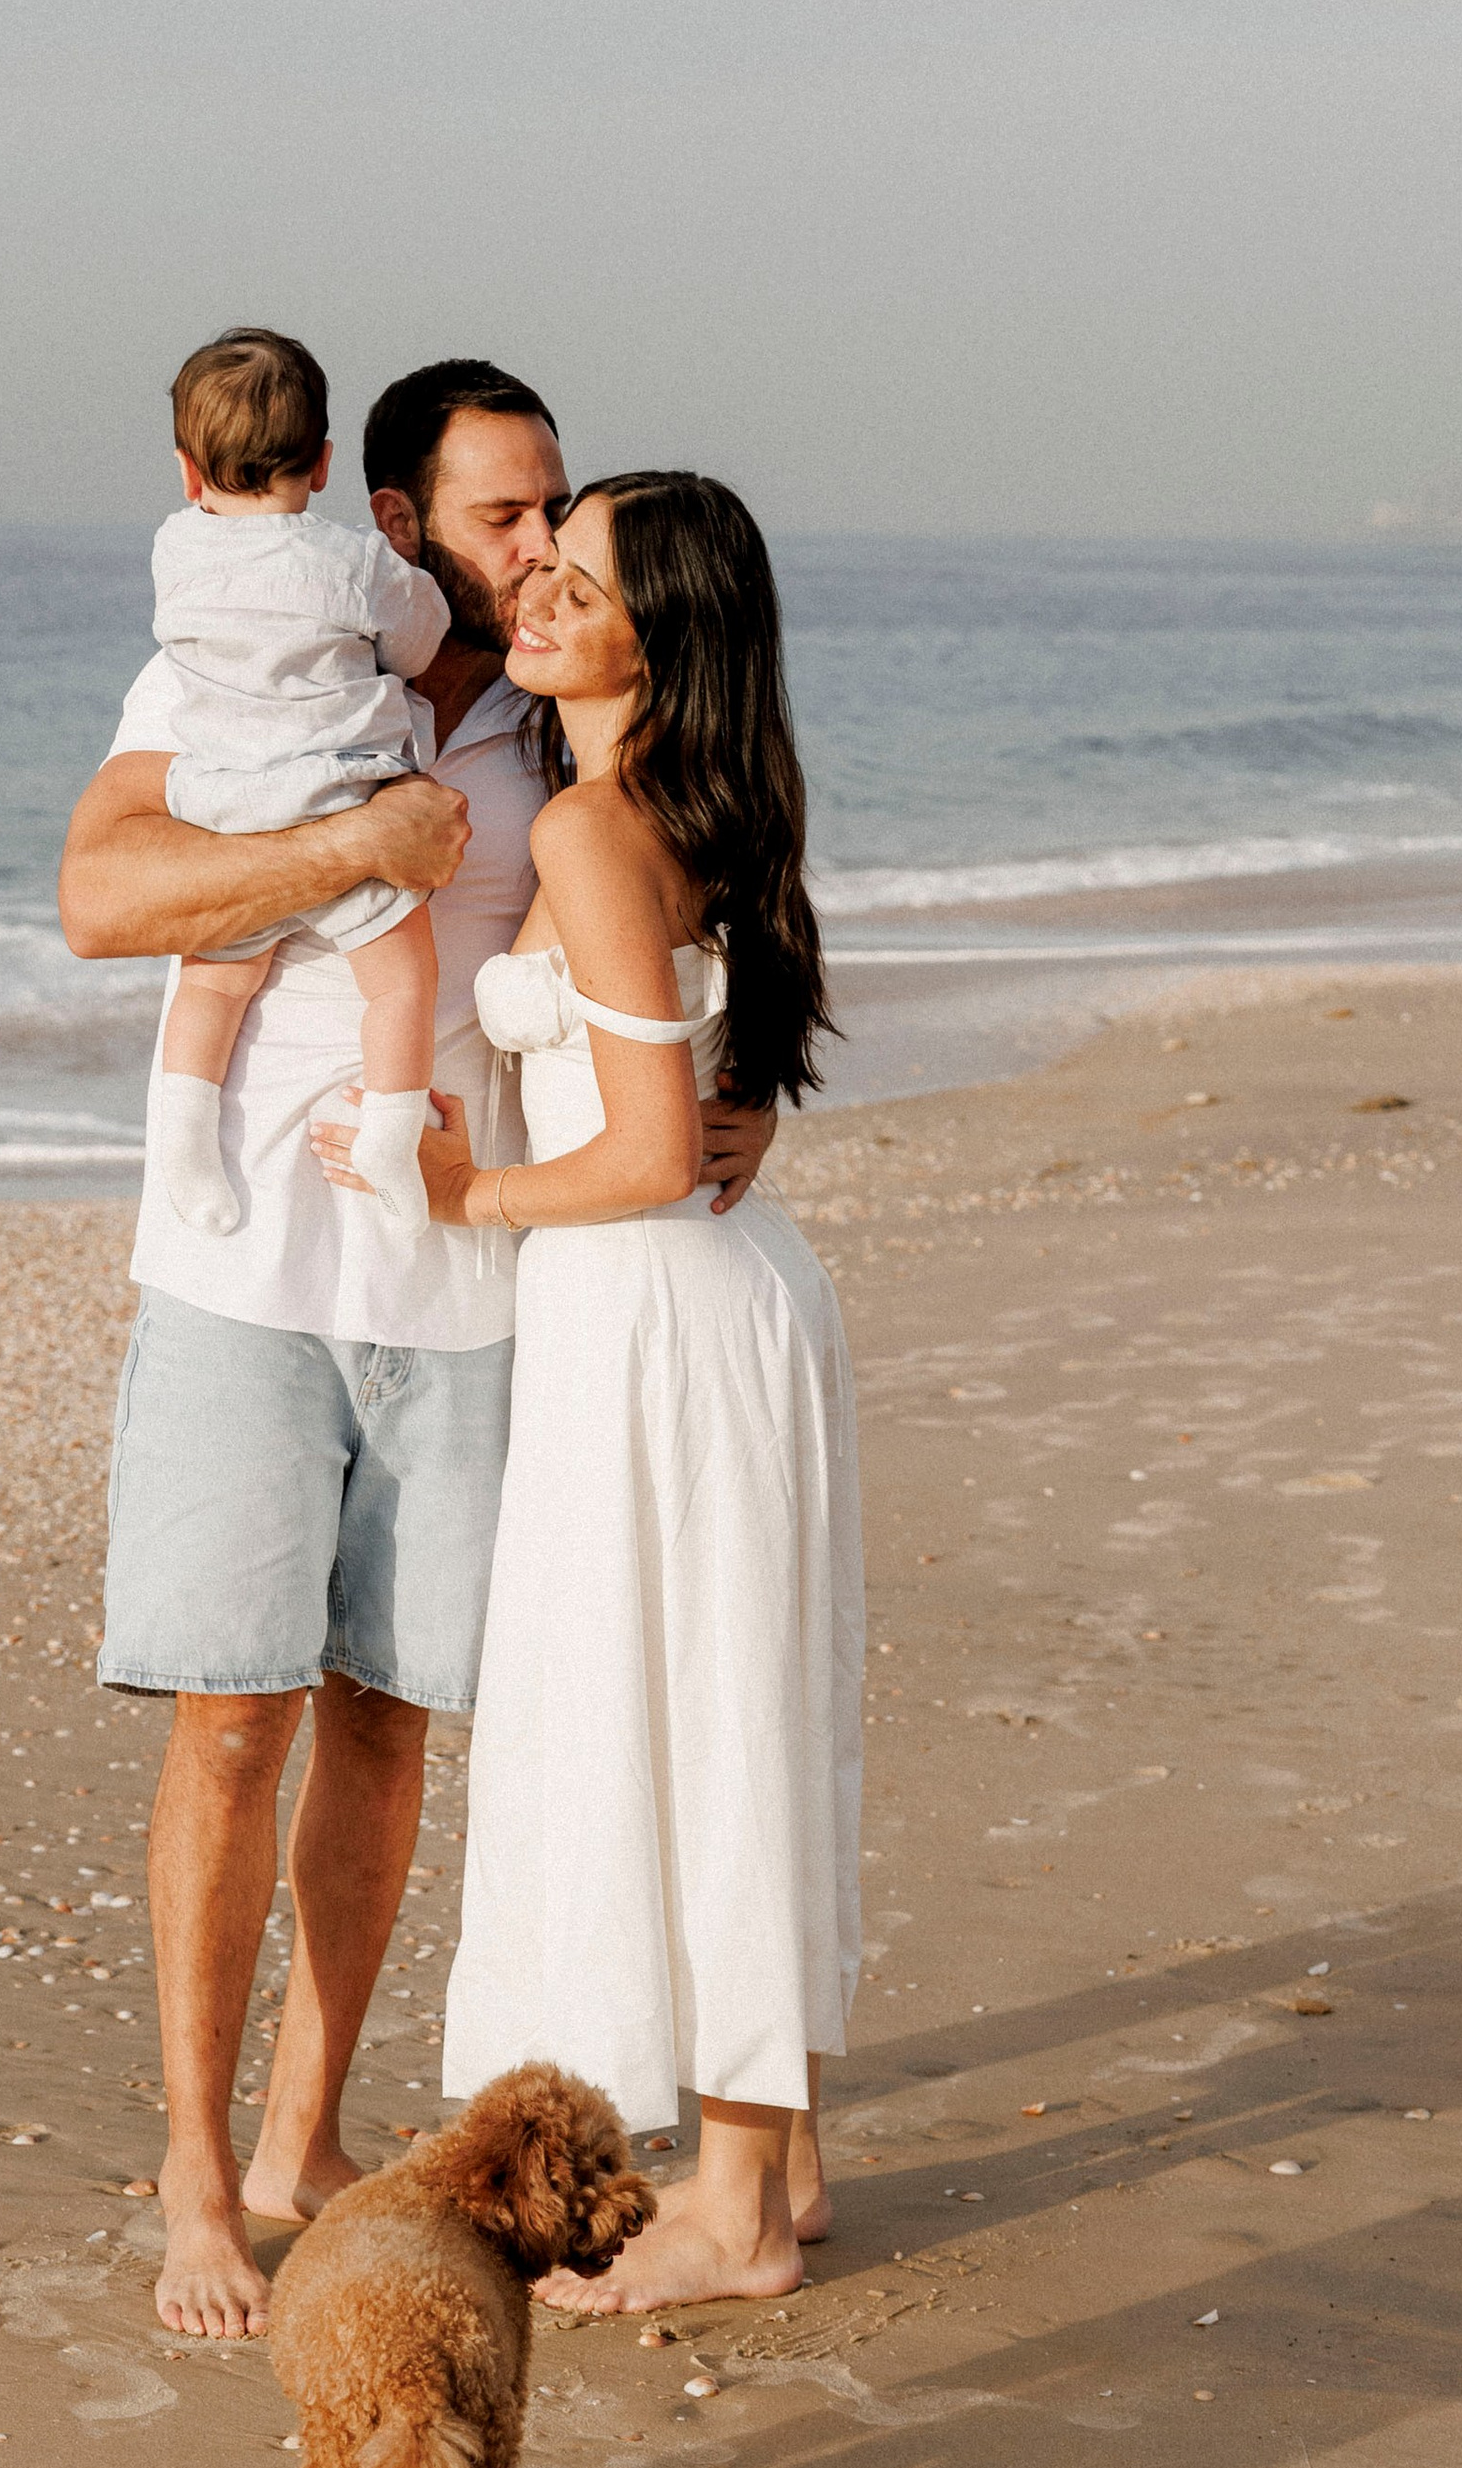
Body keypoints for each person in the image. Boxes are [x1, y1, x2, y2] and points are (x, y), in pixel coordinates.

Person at [59, 363, 781, 2339]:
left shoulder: (566, 725)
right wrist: (352, 847)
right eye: (498, 515)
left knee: (386, 1719)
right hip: (243, 1277)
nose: (536, 547)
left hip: (473, 1304)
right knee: (228, 1718)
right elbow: (99, 896)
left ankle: (303, 2140)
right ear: (389, 523)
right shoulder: (265, 680)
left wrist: (745, 1100)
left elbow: (706, 872)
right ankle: (196, 2175)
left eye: (549, 510)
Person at [347, 472, 862, 2311]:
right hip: (711, 1305)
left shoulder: (585, 829)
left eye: (587, 577)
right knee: (729, 1703)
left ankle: (731, 2211)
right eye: (543, 557)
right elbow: (719, 1086)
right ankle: (775, 2165)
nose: (544, 587)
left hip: (653, 1309)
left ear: (668, 631)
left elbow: (650, 1148)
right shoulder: (704, 800)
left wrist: (460, 1193)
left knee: (693, 1717)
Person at [148, 330, 449, 1241]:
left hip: (229, 817)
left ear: (187, 472)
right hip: (341, 806)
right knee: (402, 984)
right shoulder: (352, 563)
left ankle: (182, 1142)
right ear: (322, 463)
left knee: (211, 987)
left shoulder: (173, 551)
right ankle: (390, 1140)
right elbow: (421, 636)